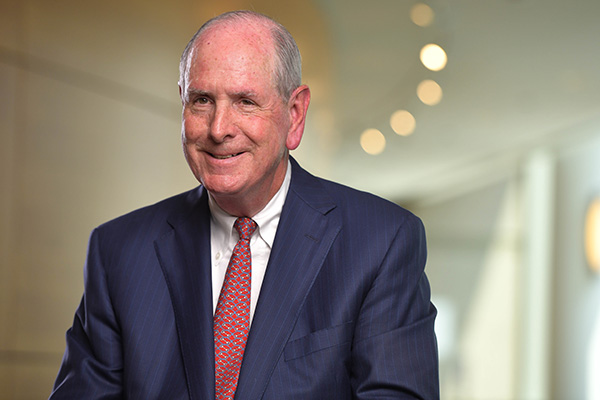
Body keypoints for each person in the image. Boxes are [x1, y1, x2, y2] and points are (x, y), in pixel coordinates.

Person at [50, 10, 439, 400]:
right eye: (202, 100)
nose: (219, 128)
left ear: (295, 115)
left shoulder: (381, 243)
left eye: (245, 101)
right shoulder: (118, 252)